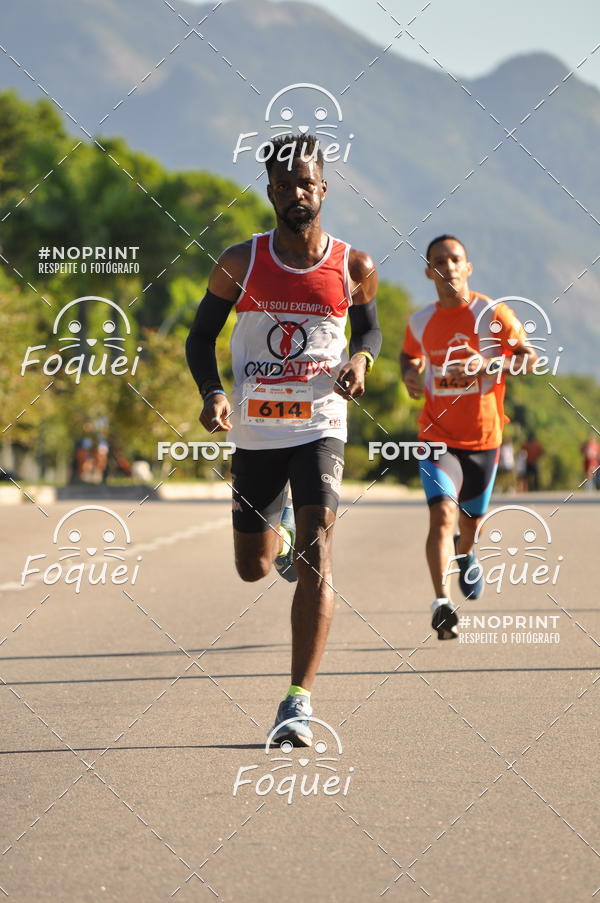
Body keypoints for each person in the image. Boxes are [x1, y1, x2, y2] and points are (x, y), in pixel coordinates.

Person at [185, 134, 381, 745]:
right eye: (283, 185)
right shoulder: (239, 262)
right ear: (270, 193)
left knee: (320, 556)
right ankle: (284, 535)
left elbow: (369, 331)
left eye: (305, 183)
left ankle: (298, 701)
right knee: (254, 567)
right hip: (258, 429)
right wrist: (212, 392)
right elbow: (200, 337)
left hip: (321, 424)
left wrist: (361, 360)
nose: (296, 194)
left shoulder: (354, 266)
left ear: (323, 188)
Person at [400, 235, 537, 639]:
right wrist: (409, 373)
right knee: (442, 514)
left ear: (468, 267)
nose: (448, 267)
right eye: (439, 261)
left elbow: (530, 358)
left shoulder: (492, 313)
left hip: (483, 438)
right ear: (429, 272)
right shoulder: (419, 321)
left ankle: (467, 552)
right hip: (436, 436)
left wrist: (489, 364)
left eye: (455, 259)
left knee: (470, 521)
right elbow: (409, 354)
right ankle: (442, 603)